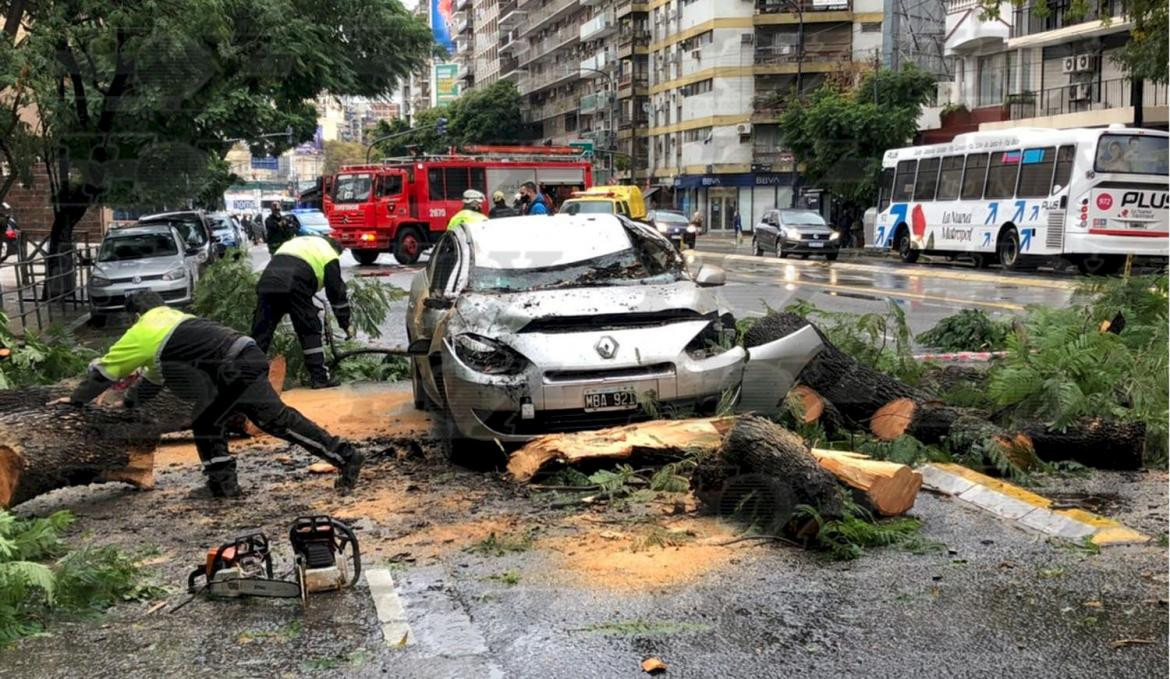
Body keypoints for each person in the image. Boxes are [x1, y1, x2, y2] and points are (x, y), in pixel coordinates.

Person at [51, 291, 363, 497]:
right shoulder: (175, 319)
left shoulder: (143, 330)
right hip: (243, 356)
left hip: (232, 369)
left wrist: (76, 400)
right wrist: (129, 403)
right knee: (210, 421)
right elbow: (154, 379)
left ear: (136, 315)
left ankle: (345, 456)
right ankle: (223, 484)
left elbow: (105, 371)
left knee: (271, 421)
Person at [251, 234, 351, 390]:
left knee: (261, 331)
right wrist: (345, 323)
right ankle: (319, 377)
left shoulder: (300, 243)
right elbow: (336, 293)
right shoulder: (330, 254)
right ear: (337, 250)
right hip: (294, 284)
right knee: (309, 327)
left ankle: (249, 377)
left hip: (268, 281)